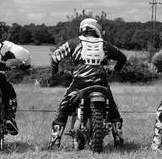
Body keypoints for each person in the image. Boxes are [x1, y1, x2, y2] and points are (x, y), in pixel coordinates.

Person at [47, 17, 129, 147]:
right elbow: (122, 58)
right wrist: (114, 71)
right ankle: (118, 140)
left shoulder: (73, 43)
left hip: (79, 83)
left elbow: (55, 56)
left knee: (63, 108)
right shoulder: (105, 44)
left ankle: (55, 141)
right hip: (101, 82)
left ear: (82, 28)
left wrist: (54, 73)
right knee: (113, 109)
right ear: (97, 29)